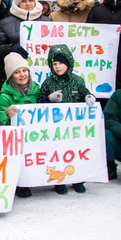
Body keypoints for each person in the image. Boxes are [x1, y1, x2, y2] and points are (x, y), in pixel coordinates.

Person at [38, 44, 96, 194]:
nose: (58, 67)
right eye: (54, 64)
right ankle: (59, 181)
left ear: (68, 62)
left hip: (75, 127)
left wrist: (89, 97)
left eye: (61, 63)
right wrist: (48, 99)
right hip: (56, 127)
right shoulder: (48, 82)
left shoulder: (77, 80)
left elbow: (86, 93)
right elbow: (38, 102)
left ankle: (78, 179)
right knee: (58, 153)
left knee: (75, 152)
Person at [0, 52, 39, 198]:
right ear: (11, 76)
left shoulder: (38, 91)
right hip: (18, 140)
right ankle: (21, 183)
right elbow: (3, 125)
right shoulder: (5, 97)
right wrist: (8, 116)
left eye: (24, 70)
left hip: (37, 136)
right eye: (17, 72)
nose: (22, 74)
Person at [0, 0, 51, 65]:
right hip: (16, 68)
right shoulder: (5, 23)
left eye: (31, 0)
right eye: (23, 1)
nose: (28, 4)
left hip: (41, 68)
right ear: (18, 3)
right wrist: (10, 48)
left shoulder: (47, 22)